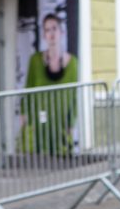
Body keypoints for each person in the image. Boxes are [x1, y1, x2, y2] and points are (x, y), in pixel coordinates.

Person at [20, 13, 79, 155]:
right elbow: (28, 88)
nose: (51, 34)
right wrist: (24, 116)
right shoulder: (36, 61)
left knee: (61, 155)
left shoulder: (72, 63)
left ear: (61, 32)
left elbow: (74, 96)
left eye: (54, 29)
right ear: (43, 35)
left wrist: (71, 123)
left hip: (61, 119)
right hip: (41, 116)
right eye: (47, 30)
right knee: (40, 153)